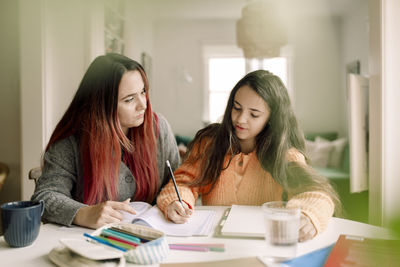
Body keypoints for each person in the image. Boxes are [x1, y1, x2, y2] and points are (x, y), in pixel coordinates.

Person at [157, 70, 341, 242]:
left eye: (254, 114)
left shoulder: (284, 154)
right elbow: (183, 182)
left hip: (261, 245)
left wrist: (309, 215)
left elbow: (317, 194)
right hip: (211, 241)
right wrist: (176, 201)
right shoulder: (209, 143)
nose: (240, 119)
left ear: (271, 119)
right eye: (237, 108)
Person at [32, 53, 180, 229]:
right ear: (101, 105)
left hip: (155, 238)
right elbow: (45, 196)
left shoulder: (158, 127)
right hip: (90, 242)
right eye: (129, 99)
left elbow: (176, 181)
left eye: (143, 92)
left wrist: (172, 201)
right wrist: (83, 213)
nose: (143, 105)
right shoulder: (70, 142)